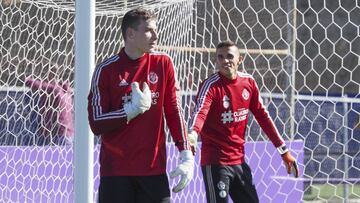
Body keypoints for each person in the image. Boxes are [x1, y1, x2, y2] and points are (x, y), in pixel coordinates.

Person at [87, 8, 194, 203]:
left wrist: (186, 153)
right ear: (130, 34)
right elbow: (96, 122)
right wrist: (129, 111)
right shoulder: (106, 70)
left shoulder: (163, 63)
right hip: (116, 173)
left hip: (154, 171)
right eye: (149, 30)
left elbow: (174, 111)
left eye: (155, 29)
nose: (156, 35)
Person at [188, 41, 299, 203]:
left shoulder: (249, 83)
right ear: (216, 60)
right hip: (216, 163)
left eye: (230, 56)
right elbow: (201, 112)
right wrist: (193, 133)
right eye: (220, 57)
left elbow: (263, 117)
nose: (225, 60)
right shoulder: (211, 85)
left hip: (239, 162)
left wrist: (283, 151)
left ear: (240, 59)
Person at [25, 74, 74, 145]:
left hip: (58, 134)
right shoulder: (67, 93)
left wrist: (26, 79)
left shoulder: (54, 89)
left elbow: (38, 85)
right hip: (69, 133)